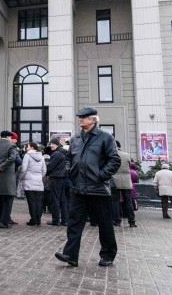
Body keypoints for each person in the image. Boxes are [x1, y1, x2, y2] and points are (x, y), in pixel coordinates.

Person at [55, 107, 121, 268]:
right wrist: (69, 171)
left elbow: (114, 160)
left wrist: (101, 176)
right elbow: (69, 158)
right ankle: (70, 255)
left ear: (93, 120)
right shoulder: (76, 138)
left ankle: (107, 255)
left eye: (84, 117)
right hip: (78, 188)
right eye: (80, 117)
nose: (80, 120)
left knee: (104, 224)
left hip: (98, 188)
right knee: (74, 222)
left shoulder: (105, 137)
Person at [0, 131, 19, 229]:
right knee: (7, 201)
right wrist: (0, 167)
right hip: (7, 178)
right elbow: (12, 158)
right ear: (9, 137)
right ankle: (4, 222)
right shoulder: (11, 146)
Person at [19, 142, 46, 226]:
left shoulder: (27, 156)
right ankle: (38, 220)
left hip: (29, 181)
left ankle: (33, 220)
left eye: (27, 146)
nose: (26, 148)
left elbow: (24, 169)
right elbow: (44, 170)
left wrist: (21, 177)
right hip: (38, 182)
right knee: (39, 202)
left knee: (31, 202)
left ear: (31, 147)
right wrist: (39, 177)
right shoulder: (41, 156)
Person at [110, 140, 136, 228]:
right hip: (126, 181)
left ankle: (117, 220)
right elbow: (130, 165)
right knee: (128, 201)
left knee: (115, 201)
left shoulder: (111, 155)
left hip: (115, 181)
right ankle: (131, 221)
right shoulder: (127, 155)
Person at [46, 138, 68, 226]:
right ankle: (65, 220)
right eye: (50, 144)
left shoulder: (56, 154)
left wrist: (45, 173)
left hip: (56, 178)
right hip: (63, 177)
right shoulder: (63, 152)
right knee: (63, 199)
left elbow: (50, 166)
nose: (51, 146)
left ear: (57, 144)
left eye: (53, 144)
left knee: (55, 199)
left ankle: (56, 220)